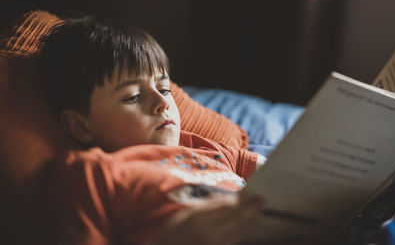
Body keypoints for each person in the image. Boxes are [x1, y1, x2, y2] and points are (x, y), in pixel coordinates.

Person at [38, 16, 267, 245]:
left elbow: (283, 171)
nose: (163, 102)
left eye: (164, 89)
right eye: (133, 97)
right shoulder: (93, 174)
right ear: (80, 126)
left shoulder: (204, 148)